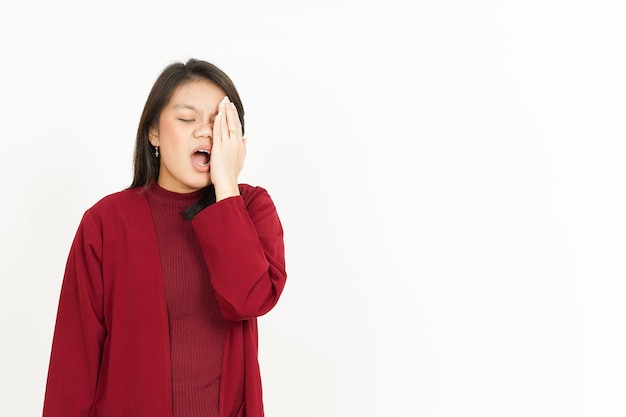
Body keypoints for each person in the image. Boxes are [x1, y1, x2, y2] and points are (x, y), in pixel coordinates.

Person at [42, 59, 287, 417]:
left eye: (218, 123)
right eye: (187, 119)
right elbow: (73, 363)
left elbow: (249, 300)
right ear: (153, 132)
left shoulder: (250, 208)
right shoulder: (105, 223)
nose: (205, 132)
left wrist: (226, 190)